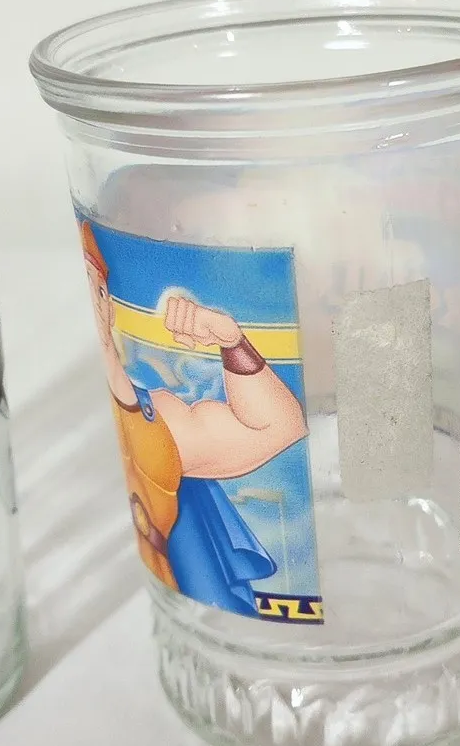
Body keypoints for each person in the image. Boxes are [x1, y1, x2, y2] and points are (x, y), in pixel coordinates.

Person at [81, 222, 308, 617]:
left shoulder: (159, 420)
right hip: (186, 622)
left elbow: (278, 426)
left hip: (207, 623)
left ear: (109, 306)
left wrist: (231, 342)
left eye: (99, 287)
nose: (96, 297)